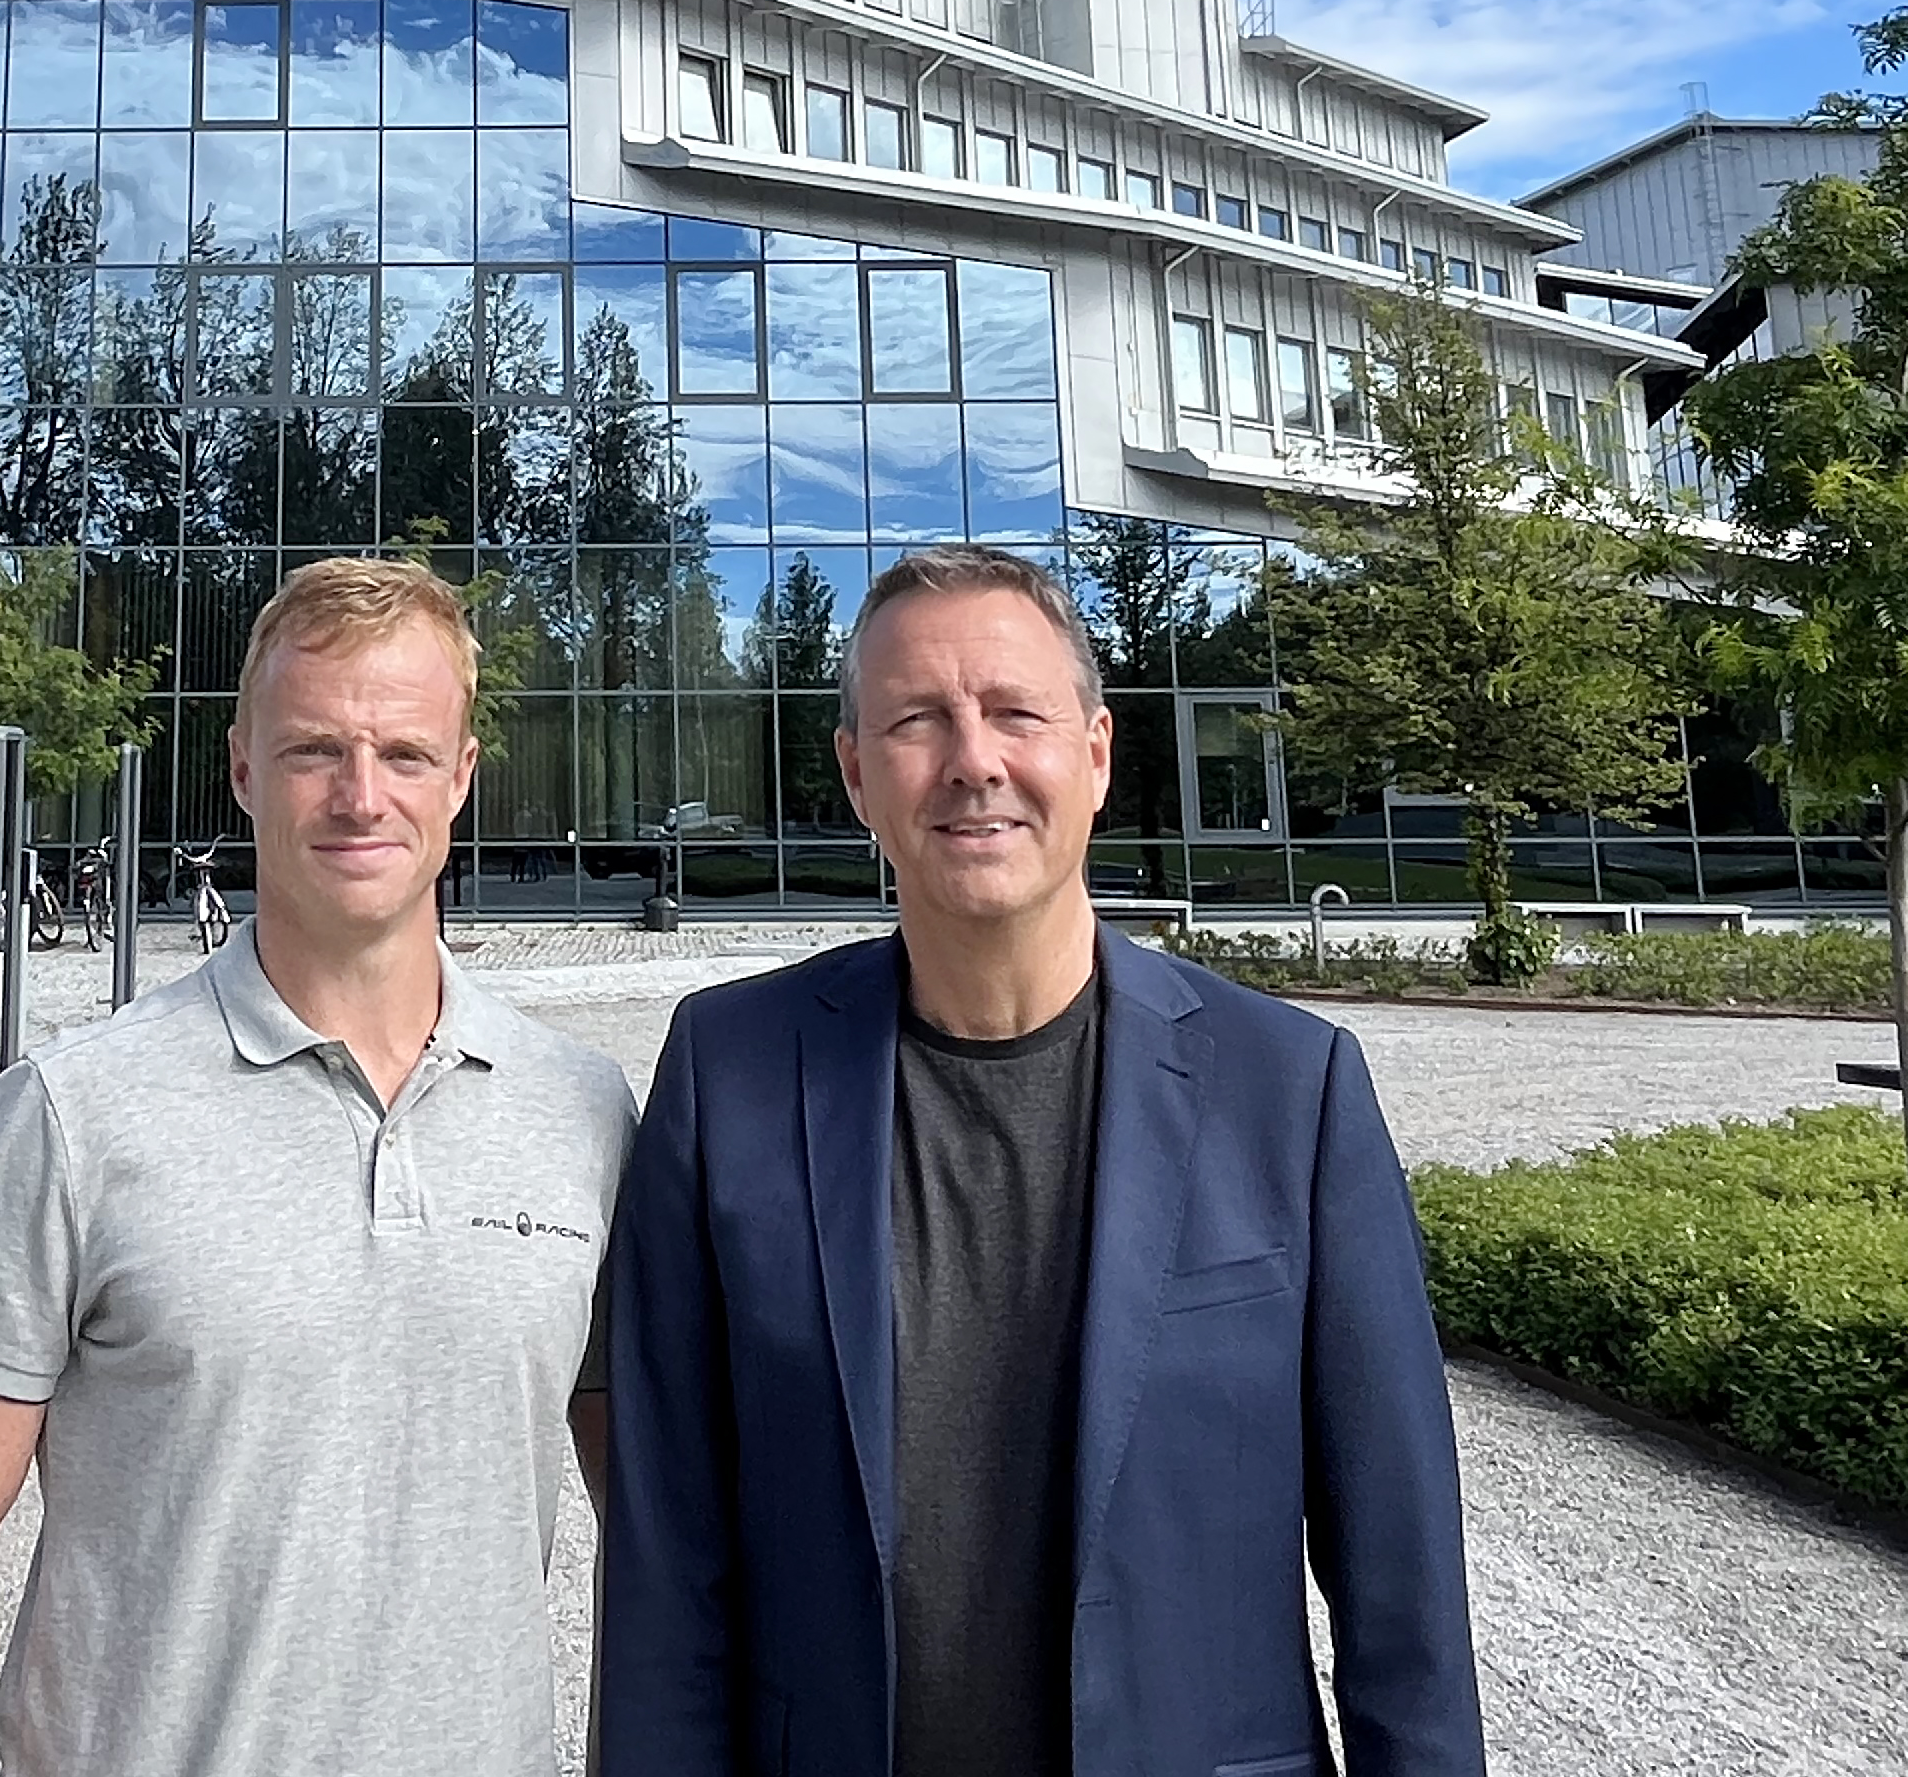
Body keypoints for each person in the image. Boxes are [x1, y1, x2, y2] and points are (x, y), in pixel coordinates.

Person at [598, 542, 1485, 1777]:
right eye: (917, 720)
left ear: (1096, 751)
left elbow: (1401, 1583)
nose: (973, 761)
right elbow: (665, 1553)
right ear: (857, 774)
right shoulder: (725, 1072)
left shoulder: (1291, 1090)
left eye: (1015, 711)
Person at [0, 556, 637, 1777]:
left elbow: (655, 1528)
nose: (360, 795)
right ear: (242, 770)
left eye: (406, 754)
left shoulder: (580, 1115)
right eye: (315, 749)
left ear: (463, 778)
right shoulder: (73, 1113)